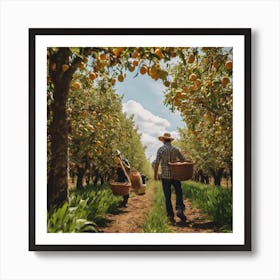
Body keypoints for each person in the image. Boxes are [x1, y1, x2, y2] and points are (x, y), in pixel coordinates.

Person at [153, 132, 187, 225]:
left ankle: (170, 216)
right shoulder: (176, 149)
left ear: (163, 140)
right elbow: (183, 160)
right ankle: (180, 208)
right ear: (170, 140)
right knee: (179, 192)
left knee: (167, 196)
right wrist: (175, 162)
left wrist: (155, 175)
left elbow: (156, 163)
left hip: (165, 176)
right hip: (176, 175)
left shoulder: (160, 149)